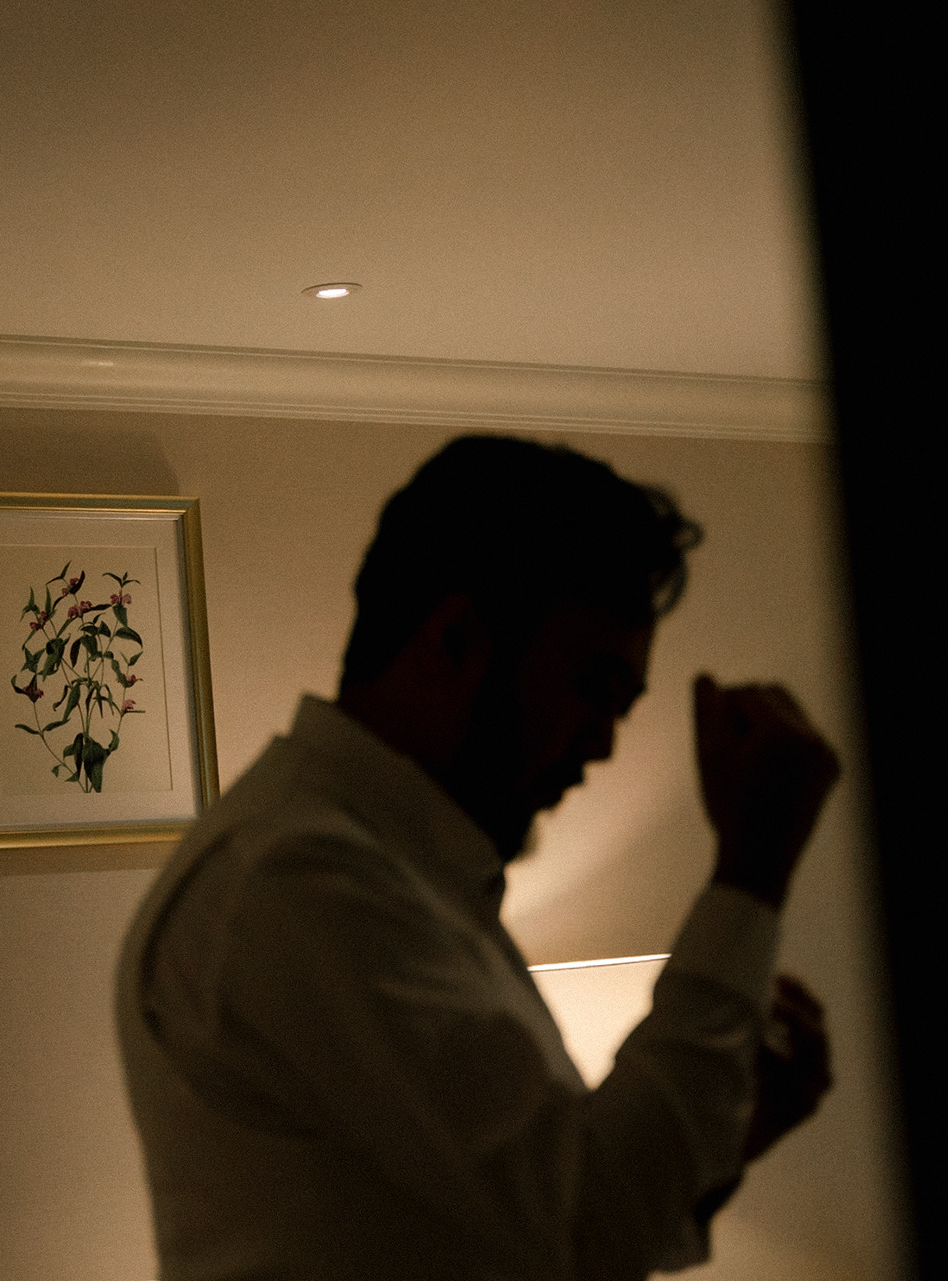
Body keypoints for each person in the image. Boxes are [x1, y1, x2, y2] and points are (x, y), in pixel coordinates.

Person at [115, 435, 839, 1280]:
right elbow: (589, 1223)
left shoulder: (396, 878)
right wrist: (752, 871)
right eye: (593, 687)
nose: (603, 745)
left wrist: (727, 1134)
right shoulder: (296, 880)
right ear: (454, 639)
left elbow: (540, 1226)